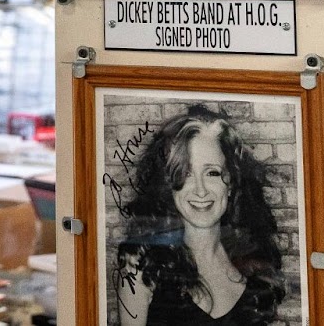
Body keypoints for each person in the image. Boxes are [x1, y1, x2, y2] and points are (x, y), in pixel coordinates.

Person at [115, 107, 285, 326]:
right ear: (169, 185)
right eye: (185, 174)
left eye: (212, 172)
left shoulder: (255, 263)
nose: (201, 190)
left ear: (231, 183)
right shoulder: (141, 264)